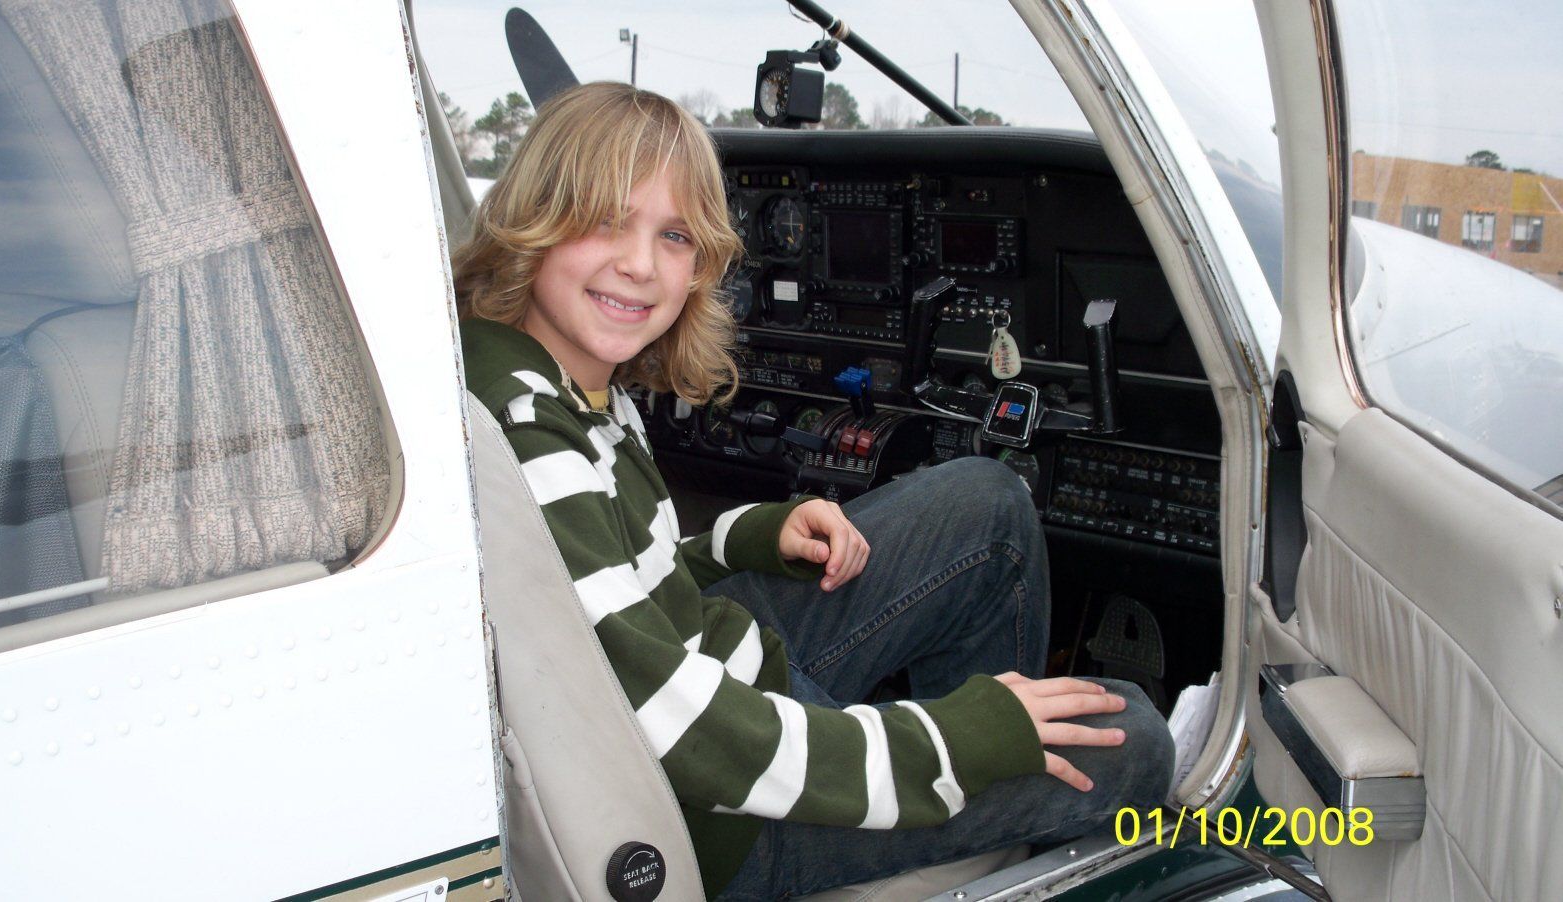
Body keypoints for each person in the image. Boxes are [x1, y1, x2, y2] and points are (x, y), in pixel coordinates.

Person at [454, 81, 1172, 900]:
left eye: (674, 235)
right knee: (1131, 740)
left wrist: (747, 536)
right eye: (605, 220)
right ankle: (964, 815)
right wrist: (946, 744)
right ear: (535, 216)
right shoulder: (531, 431)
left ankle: (966, 796)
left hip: (719, 673)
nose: (640, 265)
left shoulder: (548, 377)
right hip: (724, 815)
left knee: (990, 503)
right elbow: (681, 729)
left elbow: (611, 593)